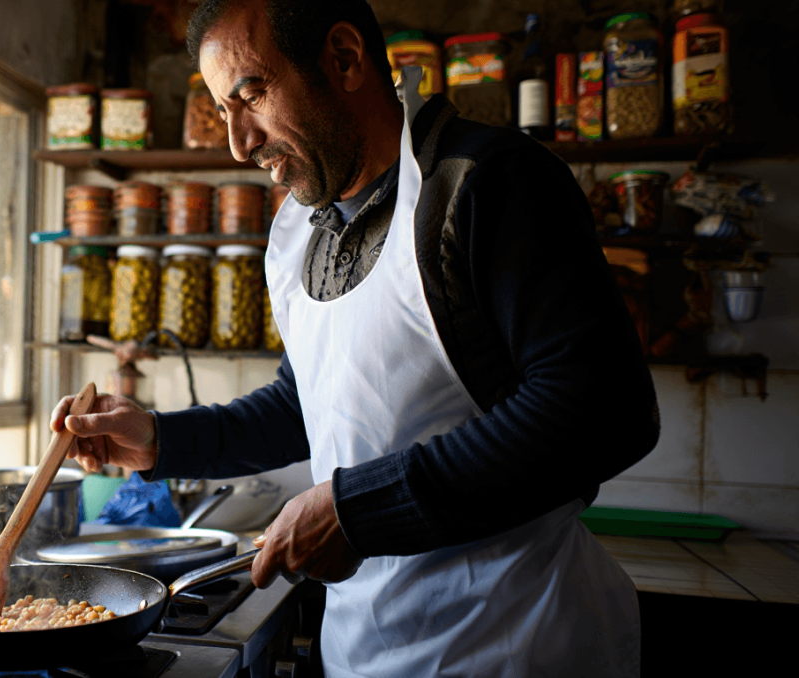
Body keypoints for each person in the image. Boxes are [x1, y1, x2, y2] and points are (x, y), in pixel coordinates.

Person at [51, 0, 660, 675]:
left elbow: (605, 410)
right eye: (223, 111)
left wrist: (356, 514)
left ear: (343, 59)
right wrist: (162, 440)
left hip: (518, 645)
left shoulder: (486, 183)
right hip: (364, 651)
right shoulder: (300, 231)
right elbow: (310, 404)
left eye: (251, 95)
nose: (239, 143)